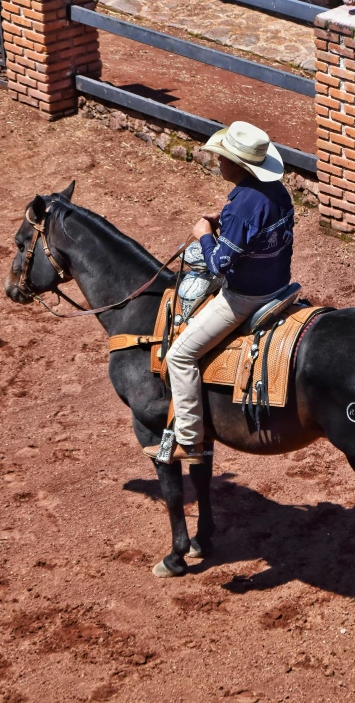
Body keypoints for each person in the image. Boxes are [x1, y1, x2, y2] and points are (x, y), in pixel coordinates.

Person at [144, 121, 295, 462]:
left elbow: (219, 265)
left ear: (240, 166)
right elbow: (258, 230)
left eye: (222, 158)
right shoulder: (275, 192)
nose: (218, 162)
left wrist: (204, 234)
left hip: (246, 297)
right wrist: (227, 222)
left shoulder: (243, 204)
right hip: (279, 284)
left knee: (180, 355)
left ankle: (188, 440)